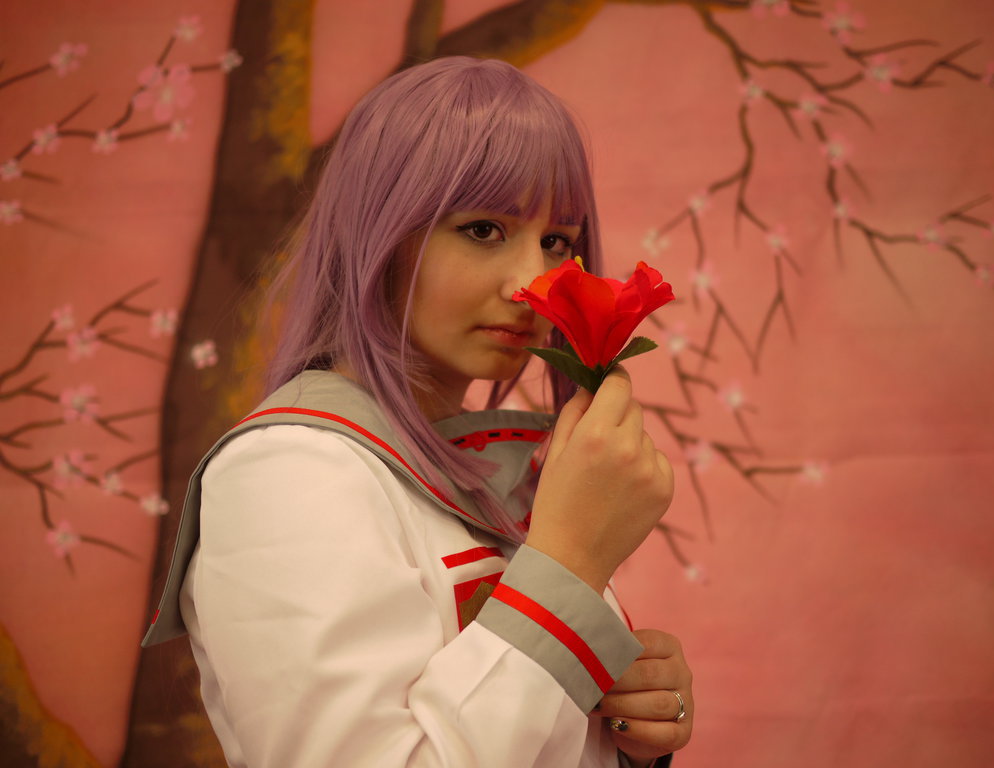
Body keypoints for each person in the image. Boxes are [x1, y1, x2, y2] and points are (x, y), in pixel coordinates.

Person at [144, 56, 692, 767]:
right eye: (484, 229)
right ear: (377, 233)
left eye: (556, 241)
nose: (533, 282)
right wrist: (571, 564)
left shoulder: (492, 463)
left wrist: (623, 737)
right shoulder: (290, 474)